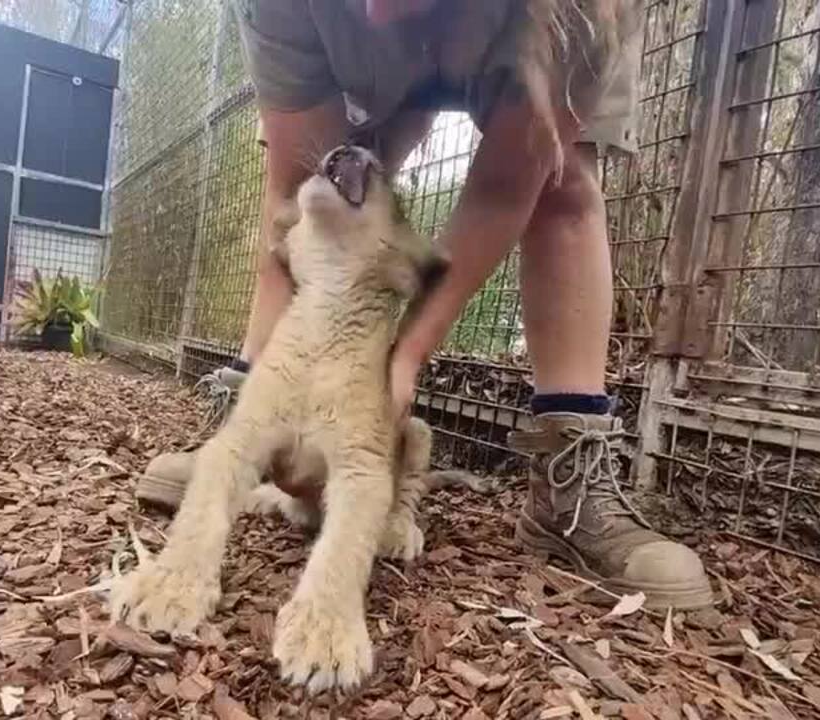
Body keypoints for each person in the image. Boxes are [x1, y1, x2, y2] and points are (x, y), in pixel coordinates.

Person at [138, 0, 714, 609]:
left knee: (559, 178)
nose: (379, 16)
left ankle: (567, 481)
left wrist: (404, 355)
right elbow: (291, 192)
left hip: (537, 23)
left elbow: (502, 191)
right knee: (325, 189)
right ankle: (247, 420)